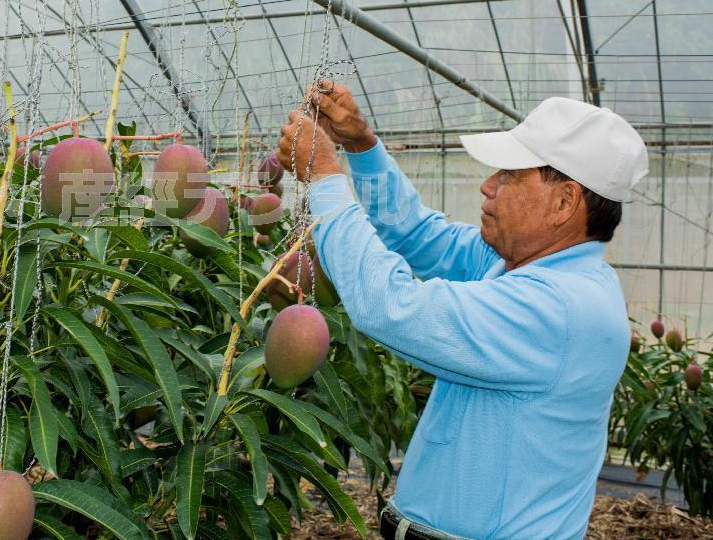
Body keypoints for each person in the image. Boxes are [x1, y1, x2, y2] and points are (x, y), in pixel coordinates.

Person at [276, 85, 649, 540]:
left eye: (510, 175)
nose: (488, 186)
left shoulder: (561, 308)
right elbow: (414, 234)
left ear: (564, 202)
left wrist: (324, 178)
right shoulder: (516, 265)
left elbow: (391, 307)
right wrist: (361, 146)